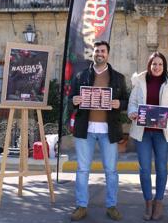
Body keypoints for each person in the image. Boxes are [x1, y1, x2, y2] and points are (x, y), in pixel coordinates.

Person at [69, 41, 128, 221]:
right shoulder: (80, 76)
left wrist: (120, 104)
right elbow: (70, 97)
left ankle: (111, 206)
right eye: (96, 51)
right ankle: (81, 206)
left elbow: (125, 100)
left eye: (102, 51)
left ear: (107, 54)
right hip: (85, 129)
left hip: (108, 131)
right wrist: (74, 100)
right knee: (82, 170)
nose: (99, 54)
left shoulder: (118, 78)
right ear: (93, 54)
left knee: (111, 171)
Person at [127, 52, 168, 220]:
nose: (157, 67)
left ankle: (159, 202)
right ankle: (148, 202)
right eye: (154, 64)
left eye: (160, 64)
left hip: (162, 133)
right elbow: (132, 103)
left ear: (164, 67)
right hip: (143, 132)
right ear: (149, 65)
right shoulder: (139, 81)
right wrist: (133, 113)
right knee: (144, 169)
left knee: (162, 168)